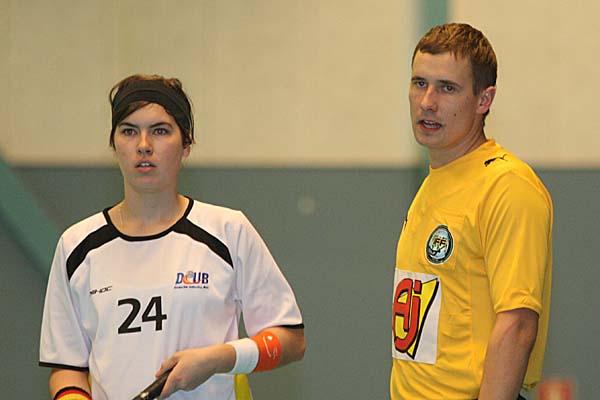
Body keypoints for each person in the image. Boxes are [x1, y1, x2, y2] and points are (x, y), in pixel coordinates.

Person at [39, 74, 305, 400]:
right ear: (114, 145)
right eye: (128, 131)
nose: (143, 145)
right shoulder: (76, 246)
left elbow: (291, 341)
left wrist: (218, 358)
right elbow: (67, 367)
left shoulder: (228, 231)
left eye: (160, 130)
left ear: (186, 146)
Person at [390, 23, 552, 400]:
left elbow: (518, 325)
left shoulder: (507, 185)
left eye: (447, 88)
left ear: (484, 99)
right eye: (419, 83)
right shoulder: (434, 182)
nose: (427, 101)